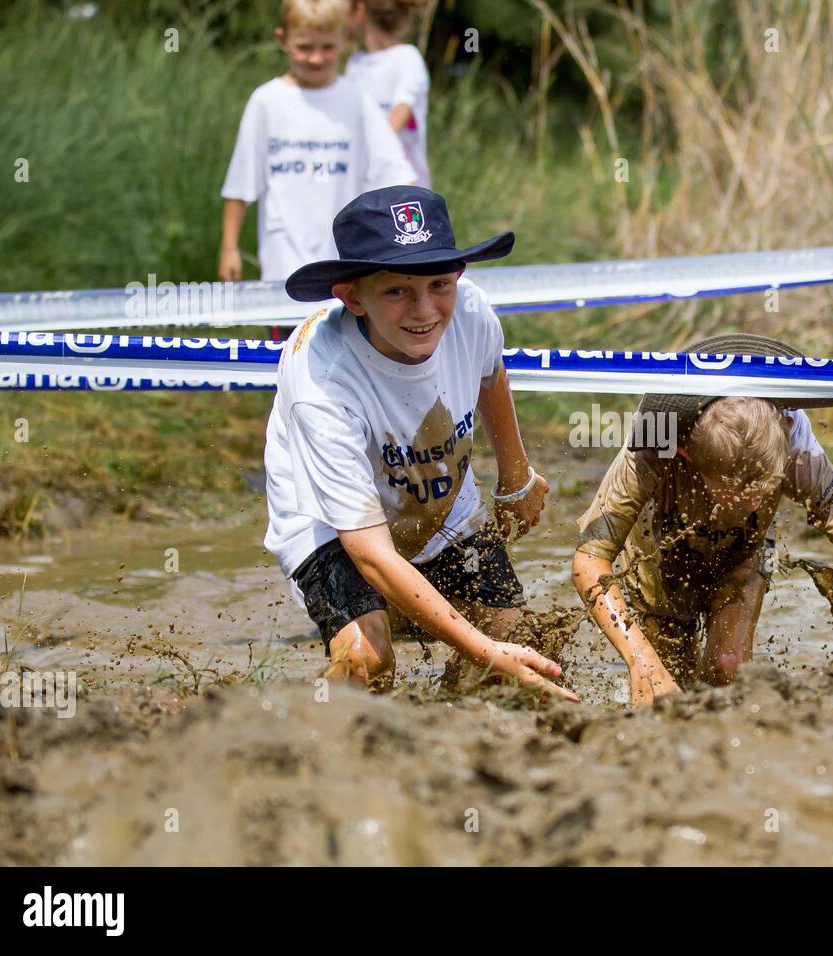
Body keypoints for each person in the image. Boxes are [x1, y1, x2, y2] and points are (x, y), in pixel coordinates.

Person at [265, 183, 576, 702]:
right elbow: (369, 553)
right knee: (368, 658)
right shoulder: (322, 382)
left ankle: (449, 735)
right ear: (352, 297)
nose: (425, 309)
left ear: (458, 277)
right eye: (397, 291)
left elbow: (489, 372)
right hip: (325, 518)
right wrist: (485, 651)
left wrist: (516, 475)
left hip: (438, 491)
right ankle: (321, 750)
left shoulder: (471, 311)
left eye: (438, 284)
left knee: (508, 633)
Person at [572, 334, 833, 708]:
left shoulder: (796, 440)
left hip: (747, 549)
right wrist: (640, 662)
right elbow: (588, 562)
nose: (753, 500)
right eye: (737, 494)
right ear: (686, 452)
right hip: (656, 546)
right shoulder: (654, 444)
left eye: (765, 489)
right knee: (666, 683)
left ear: (785, 438)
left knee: (729, 668)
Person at [218, 0, 416, 285]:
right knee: (291, 332)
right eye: (305, 47)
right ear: (283, 40)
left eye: (327, 47)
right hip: (282, 269)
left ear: (344, 39)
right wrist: (229, 248)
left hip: (346, 269)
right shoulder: (266, 101)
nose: (315, 58)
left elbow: (397, 177)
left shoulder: (358, 101)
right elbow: (240, 184)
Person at [345, 0, 432, 188]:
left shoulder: (407, 58)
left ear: (359, 10)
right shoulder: (355, 63)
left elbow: (399, 117)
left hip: (403, 187)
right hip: (365, 186)